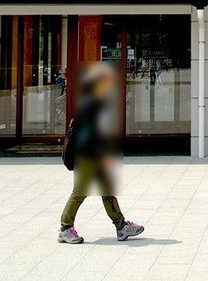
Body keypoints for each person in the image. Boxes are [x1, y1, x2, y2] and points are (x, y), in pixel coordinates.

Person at [59, 63, 144, 244]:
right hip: (87, 156)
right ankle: (65, 228)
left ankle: (121, 227)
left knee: (107, 191)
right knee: (80, 192)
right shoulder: (91, 104)